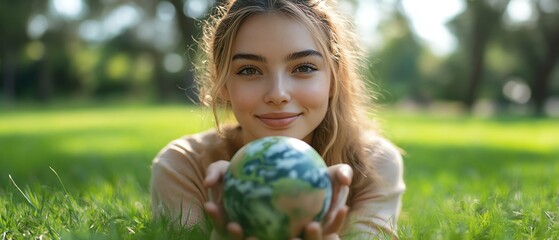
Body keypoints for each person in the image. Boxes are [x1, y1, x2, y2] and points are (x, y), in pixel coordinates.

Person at [150, 0, 405, 239]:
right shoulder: (184, 167)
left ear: (333, 78)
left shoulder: (373, 164)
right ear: (223, 83)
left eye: (304, 67)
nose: (278, 94)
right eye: (249, 70)